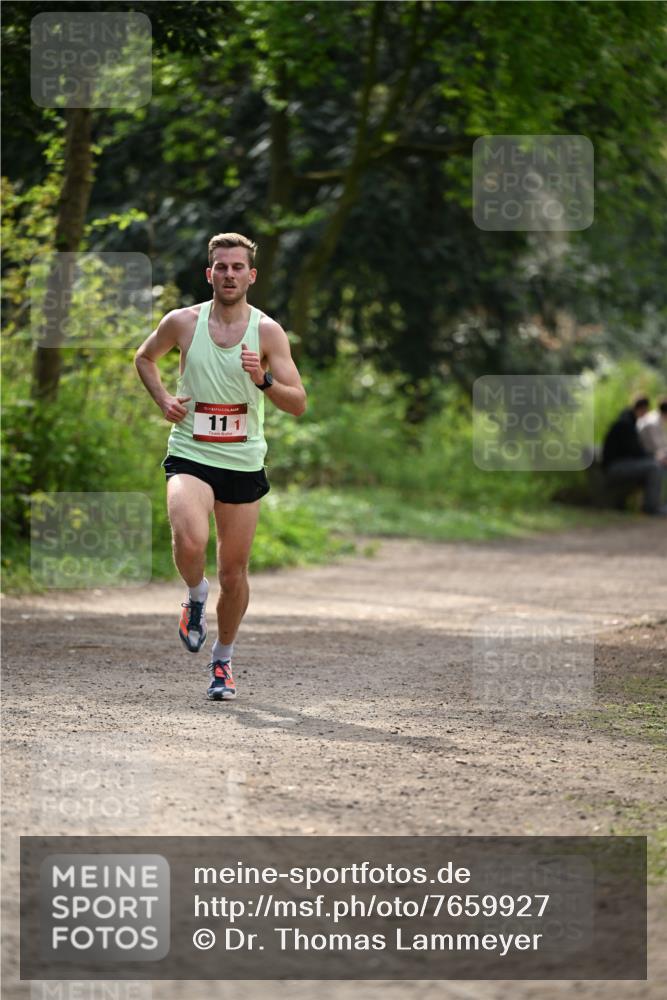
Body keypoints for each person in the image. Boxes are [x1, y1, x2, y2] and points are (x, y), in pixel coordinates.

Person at [134, 233, 307, 700]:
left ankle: (223, 661)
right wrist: (164, 398)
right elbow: (145, 358)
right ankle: (194, 596)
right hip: (191, 450)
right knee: (190, 539)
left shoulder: (267, 332)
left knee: (235, 574)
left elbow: (298, 403)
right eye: (221, 267)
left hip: (243, 461)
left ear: (251, 276)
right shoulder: (183, 323)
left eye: (237, 267)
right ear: (208, 273)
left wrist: (263, 379)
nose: (229, 274)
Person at [601, 397, 666, 515]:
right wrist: (654, 458)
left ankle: (654, 505)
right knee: (655, 467)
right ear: (642, 409)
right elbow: (635, 451)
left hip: (621, 464)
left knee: (657, 466)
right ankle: (652, 508)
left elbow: (635, 451)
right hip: (615, 466)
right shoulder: (626, 424)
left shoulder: (630, 422)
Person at [637, 399, 667, 466]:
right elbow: (657, 447)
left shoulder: (657, 418)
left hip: (651, 453)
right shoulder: (653, 423)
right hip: (645, 455)